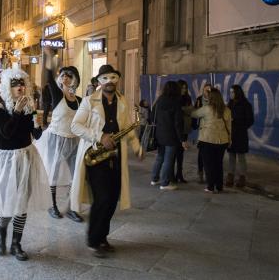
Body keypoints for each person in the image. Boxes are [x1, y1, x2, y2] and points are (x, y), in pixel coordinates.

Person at [71, 64, 142, 258]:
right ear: (99, 82)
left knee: (111, 200)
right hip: (96, 157)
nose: (109, 82)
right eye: (105, 78)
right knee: (101, 198)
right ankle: (93, 240)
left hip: (115, 157)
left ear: (117, 80)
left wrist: (137, 147)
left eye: (113, 78)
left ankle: (102, 237)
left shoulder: (123, 102)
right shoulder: (88, 101)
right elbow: (75, 126)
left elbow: (128, 127)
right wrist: (100, 136)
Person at [0, 68, 48, 261]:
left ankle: (17, 243)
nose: (19, 87)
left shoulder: (29, 107)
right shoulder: (0, 107)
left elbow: (36, 136)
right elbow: (6, 133)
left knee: (22, 202)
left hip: (26, 156)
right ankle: (1, 231)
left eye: (22, 83)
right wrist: (16, 112)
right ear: (8, 87)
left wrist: (38, 125)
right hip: (7, 160)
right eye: (15, 84)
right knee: (8, 202)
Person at [35, 48, 83, 222]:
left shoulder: (80, 100)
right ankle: (52, 205)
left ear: (75, 80)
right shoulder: (57, 95)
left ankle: (72, 208)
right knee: (53, 174)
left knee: (77, 175)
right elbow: (48, 77)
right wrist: (49, 58)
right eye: (62, 75)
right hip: (55, 138)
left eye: (69, 76)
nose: (65, 78)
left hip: (74, 140)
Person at [191, 88, 231, 194]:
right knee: (218, 164)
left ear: (211, 97)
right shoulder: (227, 110)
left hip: (207, 140)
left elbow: (194, 114)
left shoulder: (207, 108)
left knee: (208, 164)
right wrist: (229, 140)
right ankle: (219, 186)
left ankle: (210, 186)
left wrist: (188, 108)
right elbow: (229, 127)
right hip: (222, 141)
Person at [150, 81, 187, 190]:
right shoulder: (176, 102)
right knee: (168, 159)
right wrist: (182, 139)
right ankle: (165, 183)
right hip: (171, 135)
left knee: (160, 157)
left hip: (159, 134)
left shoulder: (159, 100)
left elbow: (152, 117)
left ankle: (154, 178)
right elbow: (178, 123)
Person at [226, 85, 254, 188]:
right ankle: (230, 177)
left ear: (237, 92)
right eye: (230, 92)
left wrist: (239, 124)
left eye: (232, 92)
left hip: (241, 134)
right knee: (231, 156)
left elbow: (250, 120)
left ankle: (242, 178)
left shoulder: (246, 105)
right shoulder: (230, 104)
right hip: (231, 134)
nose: (231, 94)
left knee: (241, 157)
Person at [193, 82, 212, 183]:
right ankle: (200, 173)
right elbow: (194, 111)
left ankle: (210, 174)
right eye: (206, 90)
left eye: (209, 90)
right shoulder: (199, 100)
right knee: (201, 153)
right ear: (203, 90)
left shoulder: (214, 100)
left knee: (210, 154)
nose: (208, 92)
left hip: (211, 129)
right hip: (202, 129)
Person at [177, 79, 193, 183]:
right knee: (174, 152)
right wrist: (184, 109)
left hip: (185, 127)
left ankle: (179, 174)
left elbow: (191, 109)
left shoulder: (187, 97)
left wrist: (184, 109)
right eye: (182, 88)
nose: (184, 90)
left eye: (185, 88)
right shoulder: (175, 98)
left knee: (181, 153)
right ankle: (172, 175)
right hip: (177, 128)